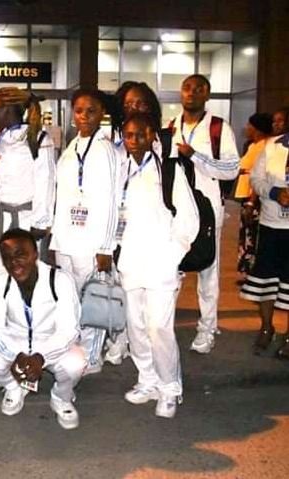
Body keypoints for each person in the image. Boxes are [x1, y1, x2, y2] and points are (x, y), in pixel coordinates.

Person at [116, 113, 199, 419]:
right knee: (136, 326)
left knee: (158, 328)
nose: (133, 141)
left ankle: (169, 388)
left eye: (139, 135)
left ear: (151, 134)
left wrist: (172, 256)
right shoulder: (122, 170)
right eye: (128, 135)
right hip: (130, 263)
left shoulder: (169, 170)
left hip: (161, 264)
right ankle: (147, 380)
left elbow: (188, 220)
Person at [0, 228, 86, 428]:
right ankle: (13, 386)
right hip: (15, 340)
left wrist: (40, 357)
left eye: (20, 255)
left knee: (76, 362)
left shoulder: (59, 279)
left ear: (35, 253)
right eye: (7, 257)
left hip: (50, 341)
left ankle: (62, 397)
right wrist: (17, 355)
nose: (14, 263)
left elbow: (69, 330)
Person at [167, 74, 240, 354]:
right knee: (174, 271)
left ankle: (207, 329)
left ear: (207, 94)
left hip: (208, 211)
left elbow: (231, 169)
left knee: (208, 273)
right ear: (180, 92)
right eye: (187, 88)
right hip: (179, 212)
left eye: (198, 89)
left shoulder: (219, 128)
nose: (192, 93)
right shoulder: (172, 126)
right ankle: (165, 327)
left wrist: (194, 155)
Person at [48, 88, 119, 374]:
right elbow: (61, 198)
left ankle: (92, 356)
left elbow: (113, 200)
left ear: (102, 114)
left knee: (94, 299)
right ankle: (75, 348)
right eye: (79, 110)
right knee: (71, 299)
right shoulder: (70, 148)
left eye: (91, 111)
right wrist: (56, 240)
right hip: (67, 238)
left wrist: (106, 247)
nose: (84, 116)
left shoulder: (107, 150)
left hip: (92, 240)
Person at [104, 81, 163, 366]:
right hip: (117, 229)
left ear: (151, 106)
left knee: (146, 303)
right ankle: (121, 338)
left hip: (151, 235)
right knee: (119, 288)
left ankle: (149, 354)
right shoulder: (113, 139)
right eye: (127, 104)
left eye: (139, 103)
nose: (133, 109)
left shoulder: (162, 142)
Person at [0, 87, 55, 277]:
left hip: (26, 220)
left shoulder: (38, 139)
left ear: (7, 110)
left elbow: (46, 182)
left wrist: (41, 222)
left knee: (27, 276)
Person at [240, 132, 289, 359]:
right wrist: (275, 192)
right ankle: (267, 327)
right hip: (271, 226)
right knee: (266, 281)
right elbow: (256, 179)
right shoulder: (271, 146)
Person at [236, 113, 274, 281]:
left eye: (250, 125)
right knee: (247, 233)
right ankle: (247, 269)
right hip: (246, 195)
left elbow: (260, 176)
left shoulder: (264, 146)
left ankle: (254, 271)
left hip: (254, 196)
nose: (247, 128)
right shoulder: (253, 145)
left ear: (257, 128)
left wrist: (252, 201)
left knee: (253, 234)